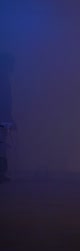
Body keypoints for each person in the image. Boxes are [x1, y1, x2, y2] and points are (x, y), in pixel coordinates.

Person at [0, 52, 15, 183]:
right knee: (2, 146)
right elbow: (5, 102)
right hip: (3, 119)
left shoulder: (4, 79)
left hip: (3, 118)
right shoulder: (3, 80)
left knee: (2, 145)